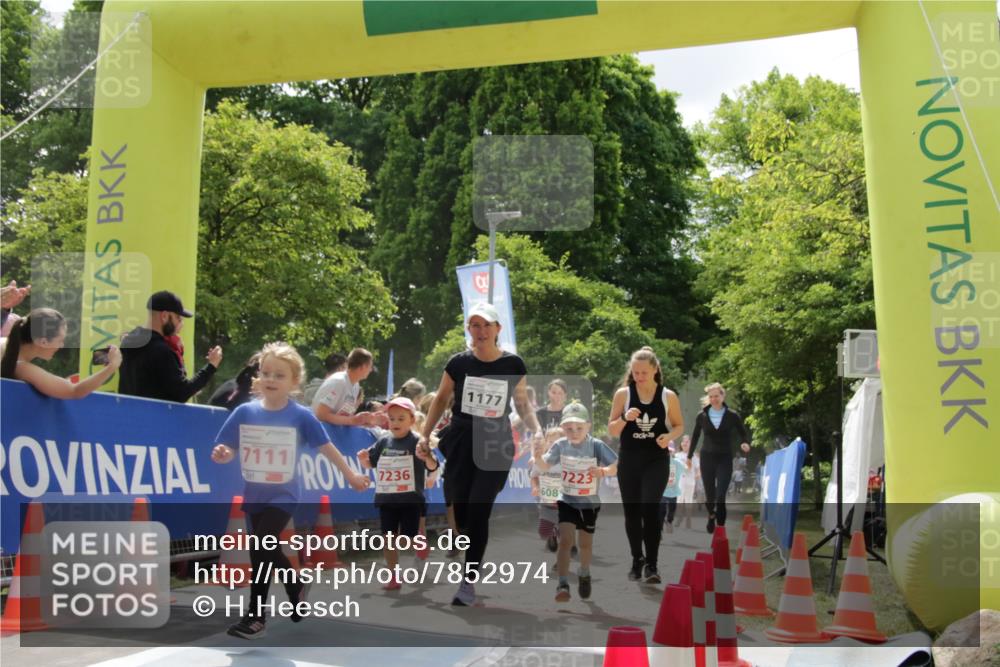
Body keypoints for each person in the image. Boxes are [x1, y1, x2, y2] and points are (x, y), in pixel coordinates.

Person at [210, 342, 369, 639]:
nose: (270, 379)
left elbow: (327, 447)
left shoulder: (301, 415)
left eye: (279, 375)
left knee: (261, 546)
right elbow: (228, 448)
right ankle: (295, 584)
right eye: (266, 373)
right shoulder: (245, 412)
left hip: (285, 493)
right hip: (255, 492)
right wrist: (223, 453)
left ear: (294, 382)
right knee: (266, 548)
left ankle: (255, 617)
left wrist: (351, 475)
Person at [420, 301, 542, 606]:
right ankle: (466, 541)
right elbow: (440, 399)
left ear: (497, 329)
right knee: (460, 514)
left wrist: (536, 429)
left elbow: (523, 403)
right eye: (475, 325)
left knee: (479, 510)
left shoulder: (513, 364)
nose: (481, 330)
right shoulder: (458, 364)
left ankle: (467, 582)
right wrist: (424, 432)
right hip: (461, 439)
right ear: (468, 330)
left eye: (487, 325)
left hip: (494, 441)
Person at [607, 346, 684, 584]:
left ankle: (652, 564)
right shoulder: (623, 394)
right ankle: (636, 559)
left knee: (650, 509)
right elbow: (611, 429)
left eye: (644, 372)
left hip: (655, 460)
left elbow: (679, 426)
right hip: (629, 459)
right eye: (635, 372)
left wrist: (668, 437)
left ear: (654, 370)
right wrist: (624, 419)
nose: (639, 377)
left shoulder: (667, 396)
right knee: (632, 513)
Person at [532, 402, 618, 602]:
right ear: (563, 428)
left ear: (588, 426)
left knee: (585, 544)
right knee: (565, 541)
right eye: (569, 428)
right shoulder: (560, 445)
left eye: (579, 428)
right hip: (567, 500)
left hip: (589, 502)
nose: (574, 432)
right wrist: (537, 455)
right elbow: (545, 466)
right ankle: (562, 584)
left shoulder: (596, 445)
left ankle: (584, 572)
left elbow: (615, 465)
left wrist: (603, 471)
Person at [358, 397, 439, 590]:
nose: (395, 423)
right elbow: (372, 463)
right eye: (392, 418)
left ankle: (418, 540)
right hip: (387, 498)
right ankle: (394, 576)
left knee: (405, 538)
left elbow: (433, 465)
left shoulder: (418, 441)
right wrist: (363, 460)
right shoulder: (383, 441)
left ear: (412, 420)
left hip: (411, 499)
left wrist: (426, 456)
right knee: (388, 539)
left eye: (401, 419)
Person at [119, 290, 223, 402]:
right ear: (164, 316)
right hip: (154, 417)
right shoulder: (161, 350)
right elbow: (182, 393)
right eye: (178, 318)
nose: (180, 324)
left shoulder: (128, 342)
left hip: (127, 415)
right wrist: (211, 366)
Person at [1, 307, 121, 399]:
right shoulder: (22, 367)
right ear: (43, 342)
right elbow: (74, 391)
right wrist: (112, 367)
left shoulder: (10, 355)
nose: (62, 345)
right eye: (60, 340)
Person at [688, 382, 752, 533]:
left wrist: (744, 443)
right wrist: (689, 456)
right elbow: (696, 436)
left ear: (723, 396)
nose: (714, 399)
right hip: (707, 457)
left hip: (724, 457)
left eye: (716, 396)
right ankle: (711, 516)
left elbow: (743, 433)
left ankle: (721, 528)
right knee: (710, 494)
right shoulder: (702, 415)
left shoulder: (732, 415)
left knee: (721, 494)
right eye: (711, 396)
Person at [311, 347, 376, 426]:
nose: (371, 370)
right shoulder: (338, 382)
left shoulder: (355, 386)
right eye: (370, 366)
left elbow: (345, 416)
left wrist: (363, 419)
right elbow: (321, 415)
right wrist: (352, 420)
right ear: (362, 367)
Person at [530, 426, 566, 553]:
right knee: (543, 532)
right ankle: (552, 535)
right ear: (546, 443)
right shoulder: (541, 460)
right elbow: (534, 476)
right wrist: (535, 487)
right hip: (546, 502)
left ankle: (561, 560)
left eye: (558, 442)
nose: (554, 445)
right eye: (551, 442)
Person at [659, 442, 687, 534]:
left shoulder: (678, 463)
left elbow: (686, 469)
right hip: (662, 492)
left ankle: (669, 522)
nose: (668, 453)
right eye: (666, 451)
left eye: (670, 451)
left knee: (671, 511)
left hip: (673, 492)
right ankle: (660, 530)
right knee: (661, 511)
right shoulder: (659, 462)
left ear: (672, 452)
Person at [676, 435, 699, 530]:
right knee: (680, 500)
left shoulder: (694, 456)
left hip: (690, 481)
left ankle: (688, 519)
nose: (685, 443)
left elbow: (698, 469)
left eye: (687, 442)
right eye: (683, 441)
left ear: (690, 444)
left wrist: (697, 475)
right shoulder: (677, 455)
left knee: (689, 501)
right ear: (681, 443)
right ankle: (678, 518)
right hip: (680, 481)